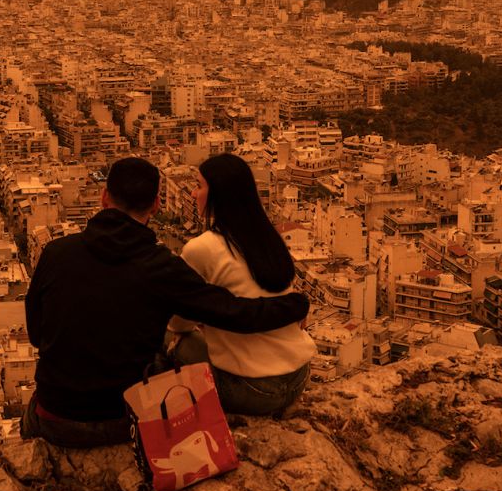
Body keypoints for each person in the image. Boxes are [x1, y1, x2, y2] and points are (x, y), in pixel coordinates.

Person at [23, 156, 311, 447]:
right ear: (156, 205)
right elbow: (235, 313)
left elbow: (36, 335)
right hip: (127, 420)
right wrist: (295, 305)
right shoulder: (162, 267)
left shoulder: (56, 253)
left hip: (55, 419)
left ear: (104, 197)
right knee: (164, 341)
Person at [168, 153, 316, 416]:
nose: (193, 193)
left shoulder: (201, 248)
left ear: (219, 195)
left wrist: (204, 320)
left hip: (252, 391)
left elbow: (179, 322)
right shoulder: (270, 239)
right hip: (298, 379)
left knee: (166, 336)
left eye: (200, 185)